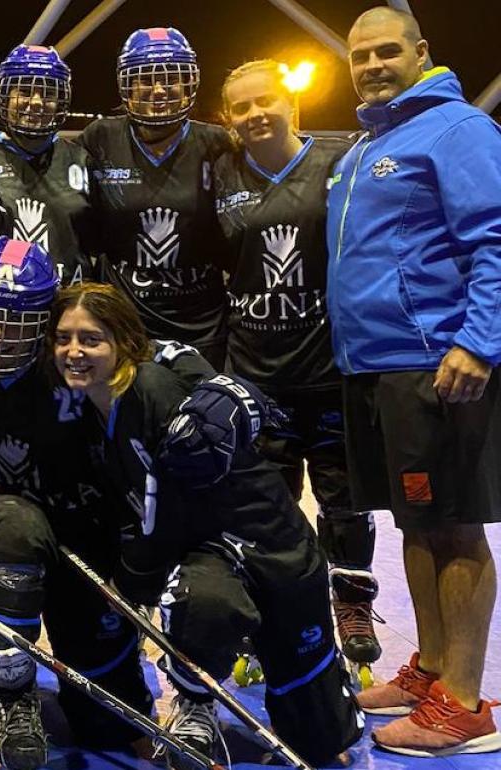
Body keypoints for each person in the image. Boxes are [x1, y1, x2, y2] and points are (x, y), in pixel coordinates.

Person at [51, 282, 362, 768]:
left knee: (321, 741)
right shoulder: (94, 405)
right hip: (207, 554)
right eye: (63, 338)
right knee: (198, 600)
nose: (74, 351)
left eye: (91, 339)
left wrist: (129, 583)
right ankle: (196, 701)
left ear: (123, 342)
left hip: (275, 548)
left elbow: (162, 516)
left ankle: (314, 692)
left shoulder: (152, 390)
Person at [327, 6, 501, 756]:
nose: (371, 64)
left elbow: (494, 236)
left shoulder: (457, 128)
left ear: (422, 52)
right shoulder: (373, 141)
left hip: (435, 364)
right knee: (416, 522)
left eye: (386, 51)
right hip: (375, 367)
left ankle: (463, 700)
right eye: (359, 55)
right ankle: (430, 670)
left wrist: (480, 341)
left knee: (455, 524)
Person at [0, 238, 153, 770]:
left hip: (85, 537)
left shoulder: (72, 363)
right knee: (12, 526)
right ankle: (12, 696)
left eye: (18, 323)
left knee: (108, 729)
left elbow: (158, 363)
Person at [213, 60, 381, 682]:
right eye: (242, 107)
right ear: (228, 119)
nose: (257, 115)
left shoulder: (340, 160)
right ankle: (264, 611)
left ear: (294, 106)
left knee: (344, 501)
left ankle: (353, 603)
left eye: (267, 102)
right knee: (266, 505)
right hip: (256, 376)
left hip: (329, 371)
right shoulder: (222, 173)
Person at [78, 27, 231, 367]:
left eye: (171, 78)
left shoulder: (217, 142)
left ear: (188, 82)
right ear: (128, 86)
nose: (159, 89)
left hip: (201, 325)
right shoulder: (101, 137)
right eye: (146, 79)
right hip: (124, 322)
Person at [0, 44, 98, 286]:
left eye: (48, 93)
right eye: (25, 91)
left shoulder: (83, 160)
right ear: (6, 97)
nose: (36, 102)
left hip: (66, 309)